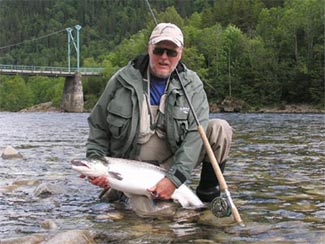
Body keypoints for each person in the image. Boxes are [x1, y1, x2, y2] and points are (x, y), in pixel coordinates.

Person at [85, 23, 233, 203]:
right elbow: (98, 126)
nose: (164, 57)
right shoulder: (121, 81)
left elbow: (195, 138)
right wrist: (94, 163)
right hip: (129, 167)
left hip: (171, 163)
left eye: (171, 52)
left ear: (180, 53)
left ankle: (207, 199)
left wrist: (173, 180)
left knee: (219, 128)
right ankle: (119, 193)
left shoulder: (192, 85)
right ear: (149, 48)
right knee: (150, 217)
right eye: (159, 50)